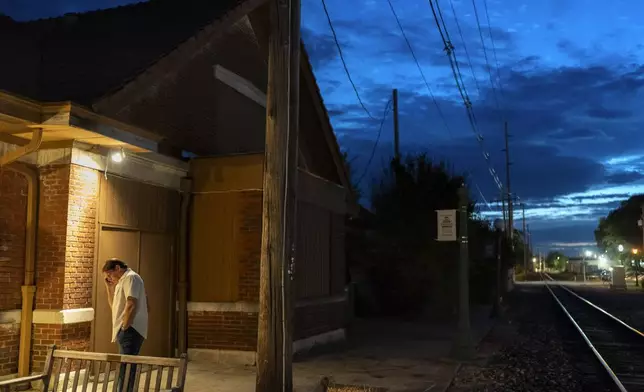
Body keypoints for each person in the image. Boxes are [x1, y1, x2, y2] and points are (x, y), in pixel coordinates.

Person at [103, 258, 149, 392]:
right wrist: (109, 287)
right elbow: (114, 306)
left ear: (118, 268)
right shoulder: (121, 282)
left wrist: (125, 326)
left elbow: (131, 303)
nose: (109, 277)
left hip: (130, 330)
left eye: (110, 274)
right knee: (125, 366)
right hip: (124, 330)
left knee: (127, 367)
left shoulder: (131, 278)